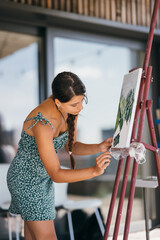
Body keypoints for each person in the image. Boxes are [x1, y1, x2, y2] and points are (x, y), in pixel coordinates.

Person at [7, 71, 112, 240]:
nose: (80, 108)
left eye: (81, 101)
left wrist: (99, 147)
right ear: (58, 102)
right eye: (75, 104)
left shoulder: (69, 111)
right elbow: (56, 173)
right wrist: (94, 171)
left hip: (43, 179)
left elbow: (72, 146)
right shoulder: (41, 123)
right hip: (26, 181)